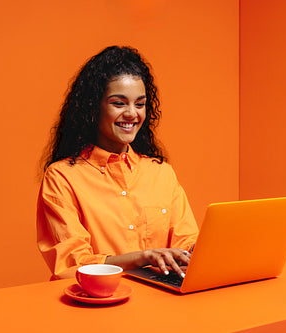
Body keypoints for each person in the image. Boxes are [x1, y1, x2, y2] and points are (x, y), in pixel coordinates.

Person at [37, 46, 198, 281]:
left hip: (162, 305)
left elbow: (185, 242)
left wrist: (199, 252)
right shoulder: (62, 177)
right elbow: (71, 264)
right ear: (94, 108)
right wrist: (144, 257)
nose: (132, 113)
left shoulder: (161, 172)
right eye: (119, 103)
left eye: (140, 104)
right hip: (95, 309)